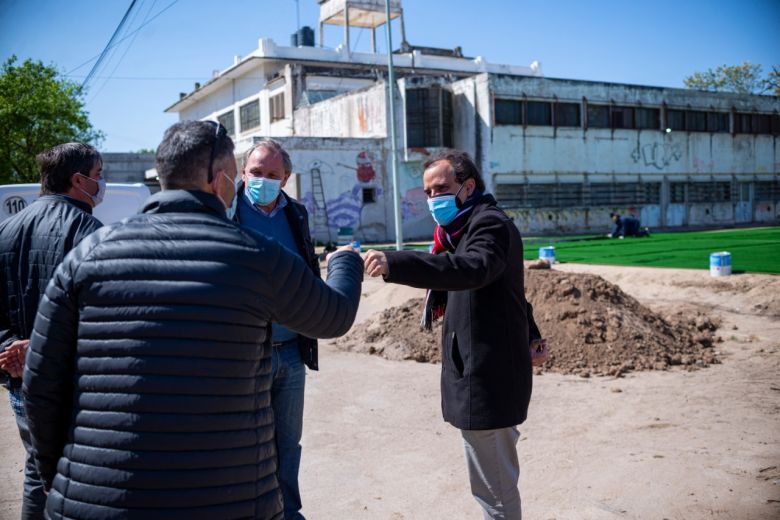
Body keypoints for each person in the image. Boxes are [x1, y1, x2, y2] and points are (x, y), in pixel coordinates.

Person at [22, 120, 363, 519]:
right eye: (242, 176)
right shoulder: (256, 256)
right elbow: (333, 315)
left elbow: (41, 384)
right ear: (220, 182)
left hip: (91, 504)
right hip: (227, 504)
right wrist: (344, 263)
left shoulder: (89, 254)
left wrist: (61, 480)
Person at [363, 149, 532, 520]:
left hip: (488, 375)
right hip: (480, 369)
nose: (432, 199)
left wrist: (396, 262)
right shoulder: (460, 231)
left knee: (496, 492)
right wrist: (532, 335)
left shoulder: (488, 225)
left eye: (440, 188)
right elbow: (511, 292)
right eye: (427, 192)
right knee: (490, 485)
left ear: (467, 187)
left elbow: (470, 269)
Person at [0, 142, 104, 520]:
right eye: (98, 176)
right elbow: (100, 314)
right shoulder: (91, 233)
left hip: (21, 381)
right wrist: (35, 348)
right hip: (74, 385)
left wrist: (12, 350)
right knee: (83, 477)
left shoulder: (5, 230)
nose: (101, 184)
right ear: (78, 180)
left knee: (36, 469)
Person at [234, 139, 317, 519]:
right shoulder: (227, 211)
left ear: (286, 177)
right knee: (245, 443)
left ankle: (288, 512)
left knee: (288, 442)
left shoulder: (296, 214)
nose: (262, 180)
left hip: (290, 349)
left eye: (271, 174)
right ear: (242, 172)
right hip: (246, 353)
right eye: (256, 173)